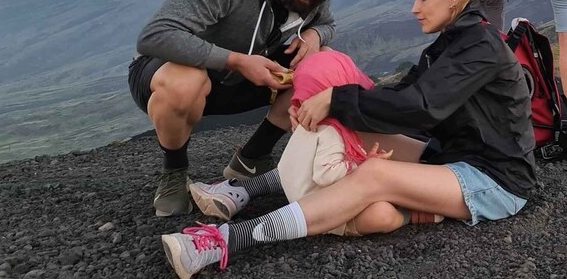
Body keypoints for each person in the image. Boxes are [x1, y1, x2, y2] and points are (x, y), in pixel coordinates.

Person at [160, 0, 536, 279]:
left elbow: (418, 107)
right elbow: (400, 93)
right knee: (345, 129)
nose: (414, 8)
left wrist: (338, 97)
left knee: (373, 173)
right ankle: (240, 191)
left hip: (494, 178)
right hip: (450, 156)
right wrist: (332, 104)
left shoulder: (479, 46)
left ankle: (224, 240)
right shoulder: (449, 44)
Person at [128, 0, 348, 217]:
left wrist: (315, 35)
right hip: (171, 75)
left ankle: (252, 158)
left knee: (323, 61)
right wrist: (236, 61)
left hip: (243, 79)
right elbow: (154, 35)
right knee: (187, 80)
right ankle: (174, 173)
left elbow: (326, 24)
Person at [186, 50, 445, 235]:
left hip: (309, 187)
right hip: (318, 198)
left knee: (380, 206)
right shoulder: (330, 130)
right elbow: (327, 173)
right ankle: (237, 206)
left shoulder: (318, 127)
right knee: (381, 213)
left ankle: (237, 195)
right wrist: (366, 166)